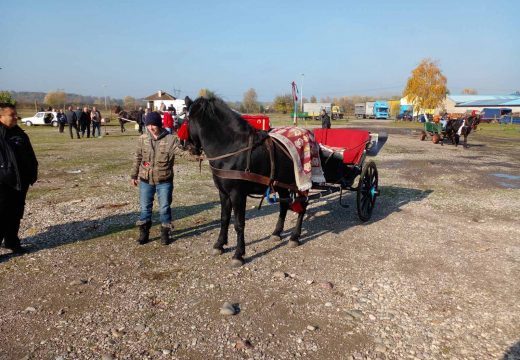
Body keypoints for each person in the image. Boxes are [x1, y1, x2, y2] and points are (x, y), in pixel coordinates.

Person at [130, 112, 183, 246]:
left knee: (164, 208)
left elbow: (183, 152)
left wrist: (199, 155)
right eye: (148, 125)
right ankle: (144, 233)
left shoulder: (171, 139)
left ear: (159, 124)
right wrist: (133, 175)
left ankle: (165, 233)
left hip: (164, 181)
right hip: (145, 180)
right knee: (144, 208)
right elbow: (137, 158)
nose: (151, 127)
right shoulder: (142, 139)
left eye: (153, 124)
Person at [0, 103, 38, 254]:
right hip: (2, 182)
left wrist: (33, 171)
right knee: (1, 214)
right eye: (12, 115)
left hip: (20, 181)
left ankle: (12, 241)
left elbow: (30, 154)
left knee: (16, 213)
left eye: (16, 114)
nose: (16, 117)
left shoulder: (20, 133)